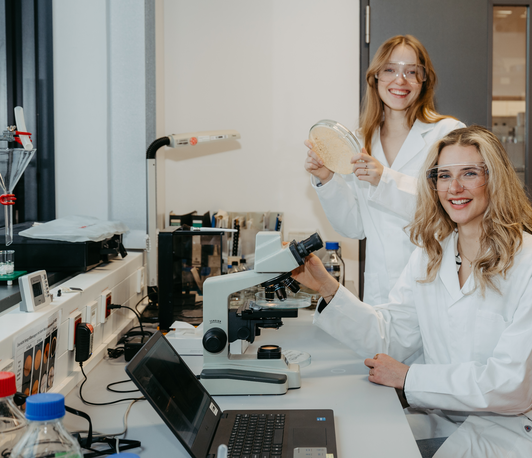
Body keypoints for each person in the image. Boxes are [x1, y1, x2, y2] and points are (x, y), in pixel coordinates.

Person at [294, 125, 532, 457]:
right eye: (444, 176)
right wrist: (326, 287)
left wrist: (409, 377)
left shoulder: (526, 262)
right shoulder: (431, 255)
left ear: (495, 179)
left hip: (509, 432)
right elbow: (390, 335)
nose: (455, 188)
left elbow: (511, 385)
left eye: (470, 173)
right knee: (350, 442)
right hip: (443, 419)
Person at [304, 35, 464, 305]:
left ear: (424, 80)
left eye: (411, 71)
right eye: (390, 69)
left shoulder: (447, 134)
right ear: (375, 77)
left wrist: (384, 179)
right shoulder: (359, 142)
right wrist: (327, 179)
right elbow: (354, 226)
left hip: (435, 282)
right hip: (381, 290)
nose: (400, 80)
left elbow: (450, 208)